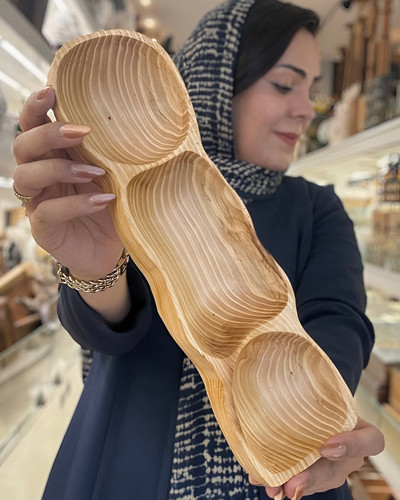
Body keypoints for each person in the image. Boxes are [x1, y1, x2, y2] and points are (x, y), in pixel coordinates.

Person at [13, 0, 384, 498]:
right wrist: (96, 270)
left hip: (287, 465)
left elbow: (341, 319)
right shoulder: (114, 192)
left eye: (311, 88)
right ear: (215, 83)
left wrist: (313, 415)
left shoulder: (317, 207)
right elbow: (108, 340)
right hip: (128, 458)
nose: (306, 108)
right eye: (284, 84)